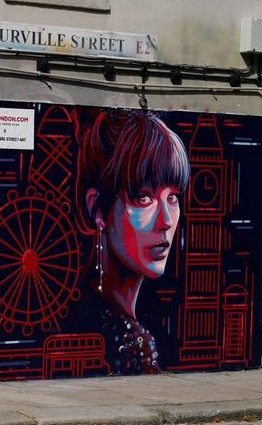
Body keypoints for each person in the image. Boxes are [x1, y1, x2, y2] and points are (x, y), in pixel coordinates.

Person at [76, 109, 189, 375]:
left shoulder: (90, 308)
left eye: (172, 197)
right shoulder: (131, 344)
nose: (165, 221)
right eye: (143, 198)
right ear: (98, 209)